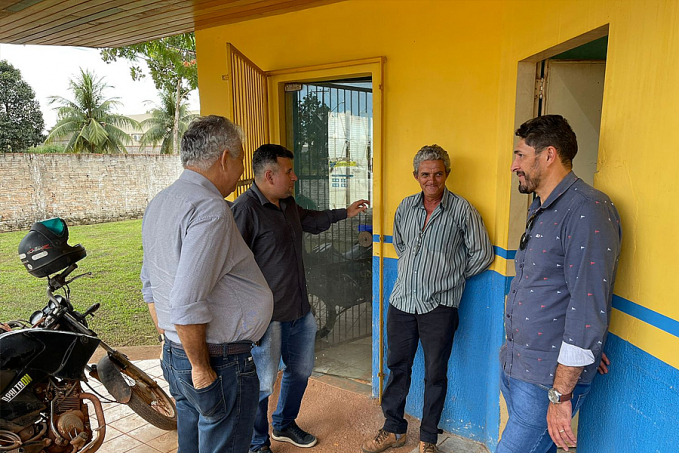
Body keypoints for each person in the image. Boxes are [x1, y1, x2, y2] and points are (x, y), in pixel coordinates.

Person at [140, 115, 274, 453]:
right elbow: (186, 303)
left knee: (192, 446)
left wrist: (167, 338)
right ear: (225, 158)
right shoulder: (210, 208)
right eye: (242, 158)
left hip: (177, 354)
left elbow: (150, 283)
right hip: (216, 362)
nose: (243, 169)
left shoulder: (162, 202)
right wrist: (201, 368)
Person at [495, 115, 622, 453]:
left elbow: (587, 309)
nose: (513, 166)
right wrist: (586, 348)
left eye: (520, 155)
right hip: (520, 365)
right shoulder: (543, 207)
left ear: (548, 155)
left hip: (546, 382)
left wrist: (561, 393)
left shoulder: (587, 210)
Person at [231, 144, 369, 453]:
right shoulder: (245, 210)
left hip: (300, 310)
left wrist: (345, 213)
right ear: (269, 175)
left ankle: (284, 423)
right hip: (266, 318)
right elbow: (232, 269)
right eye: (289, 172)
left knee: (301, 370)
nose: (294, 177)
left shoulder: (288, 204)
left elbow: (312, 219)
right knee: (262, 383)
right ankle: (257, 442)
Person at [362, 144, 494, 453]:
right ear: (415, 176)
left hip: (439, 307)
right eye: (425, 174)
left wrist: (452, 278)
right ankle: (394, 430)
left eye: (437, 173)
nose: (431, 180)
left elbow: (483, 253)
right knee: (397, 368)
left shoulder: (463, 210)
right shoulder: (405, 207)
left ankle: (428, 439)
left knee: (435, 374)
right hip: (402, 302)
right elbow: (402, 245)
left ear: (447, 173)